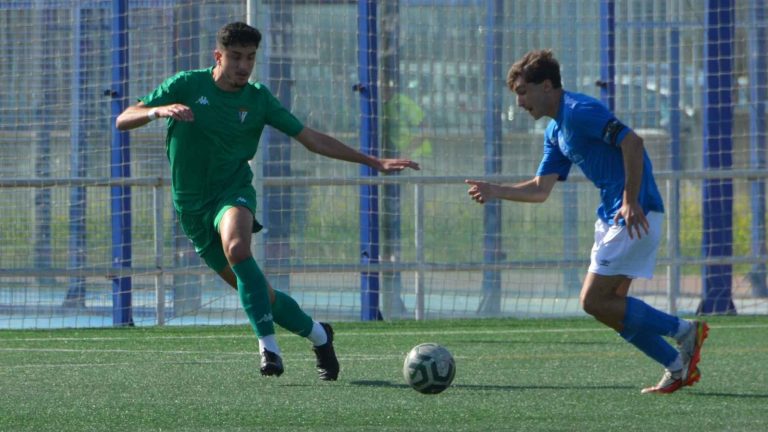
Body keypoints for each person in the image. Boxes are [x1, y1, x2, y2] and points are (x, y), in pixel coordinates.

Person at [116, 22, 420, 379]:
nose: (244, 66)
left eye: (250, 58)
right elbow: (124, 119)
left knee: (238, 248)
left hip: (233, 192)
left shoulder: (258, 99)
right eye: (236, 57)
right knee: (263, 296)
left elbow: (311, 139)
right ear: (218, 56)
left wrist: (373, 161)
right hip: (192, 209)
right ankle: (321, 335)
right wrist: (157, 111)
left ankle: (269, 350)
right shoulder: (185, 85)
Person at [465, 49, 708, 394]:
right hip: (614, 216)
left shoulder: (579, 111)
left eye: (522, 92)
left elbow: (633, 142)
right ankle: (677, 365)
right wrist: (494, 190)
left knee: (592, 301)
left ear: (547, 86)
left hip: (633, 213)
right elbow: (539, 190)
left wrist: (630, 199)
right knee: (613, 310)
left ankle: (686, 332)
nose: (519, 102)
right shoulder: (556, 131)